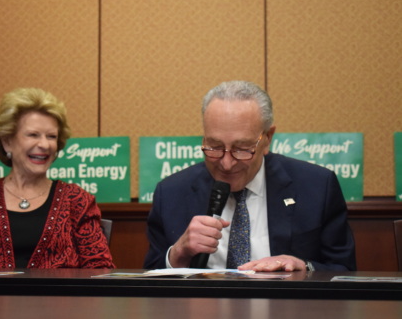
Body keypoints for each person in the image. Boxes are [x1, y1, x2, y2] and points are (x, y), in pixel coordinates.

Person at [144, 81, 356, 272]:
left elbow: (344, 269)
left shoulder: (316, 187)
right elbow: (149, 279)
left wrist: (305, 267)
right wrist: (177, 254)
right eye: (215, 147)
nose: (226, 163)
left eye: (242, 148)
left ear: (267, 138)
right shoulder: (171, 193)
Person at [0, 88, 115, 269]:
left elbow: (100, 270)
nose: (44, 145)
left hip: (58, 298)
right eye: (33, 135)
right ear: (7, 141)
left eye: (51, 137)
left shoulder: (78, 200)